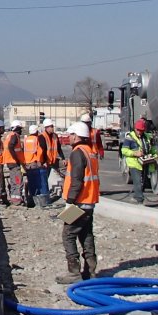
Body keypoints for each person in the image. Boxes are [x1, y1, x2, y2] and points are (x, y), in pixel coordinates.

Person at [57, 120, 100, 283]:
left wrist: (70, 201)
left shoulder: (77, 153)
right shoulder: (90, 151)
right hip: (89, 201)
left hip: (78, 202)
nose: (69, 137)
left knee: (68, 234)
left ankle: (74, 272)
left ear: (77, 136)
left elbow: (77, 180)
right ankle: (91, 270)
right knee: (86, 234)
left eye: (71, 134)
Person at [120, 118, 156, 204]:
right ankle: (139, 199)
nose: (140, 132)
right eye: (138, 130)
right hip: (134, 163)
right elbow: (124, 151)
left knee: (142, 182)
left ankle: (137, 196)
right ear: (135, 129)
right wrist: (135, 153)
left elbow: (152, 148)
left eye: (141, 130)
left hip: (144, 162)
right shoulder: (130, 138)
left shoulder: (146, 137)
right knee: (137, 182)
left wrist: (154, 156)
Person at [21, 124, 47, 207]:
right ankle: (38, 199)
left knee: (30, 181)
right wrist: (40, 162)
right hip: (34, 163)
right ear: (36, 131)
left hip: (27, 164)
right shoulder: (36, 139)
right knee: (37, 181)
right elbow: (40, 151)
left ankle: (31, 197)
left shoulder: (25, 140)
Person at [39, 117, 65, 199]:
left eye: (52, 126)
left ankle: (63, 190)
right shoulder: (42, 137)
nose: (52, 128)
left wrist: (63, 158)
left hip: (53, 160)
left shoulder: (55, 136)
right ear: (46, 127)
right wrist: (44, 162)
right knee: (44, 178)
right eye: (50, 126)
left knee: (62, 173)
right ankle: (44, 194)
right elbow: (42, 150)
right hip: (46, 161)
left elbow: (59, 148)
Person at [2, 121, 26, 205]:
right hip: (14, 162)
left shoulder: (9, 135)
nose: (21, 131)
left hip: (10, 162)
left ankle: (14, 198)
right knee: (18, 181)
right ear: (16, 128)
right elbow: (11, 146)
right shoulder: (14, 136)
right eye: (20, 129)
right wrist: (16, 158)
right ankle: (17, 200)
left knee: (13, 181)